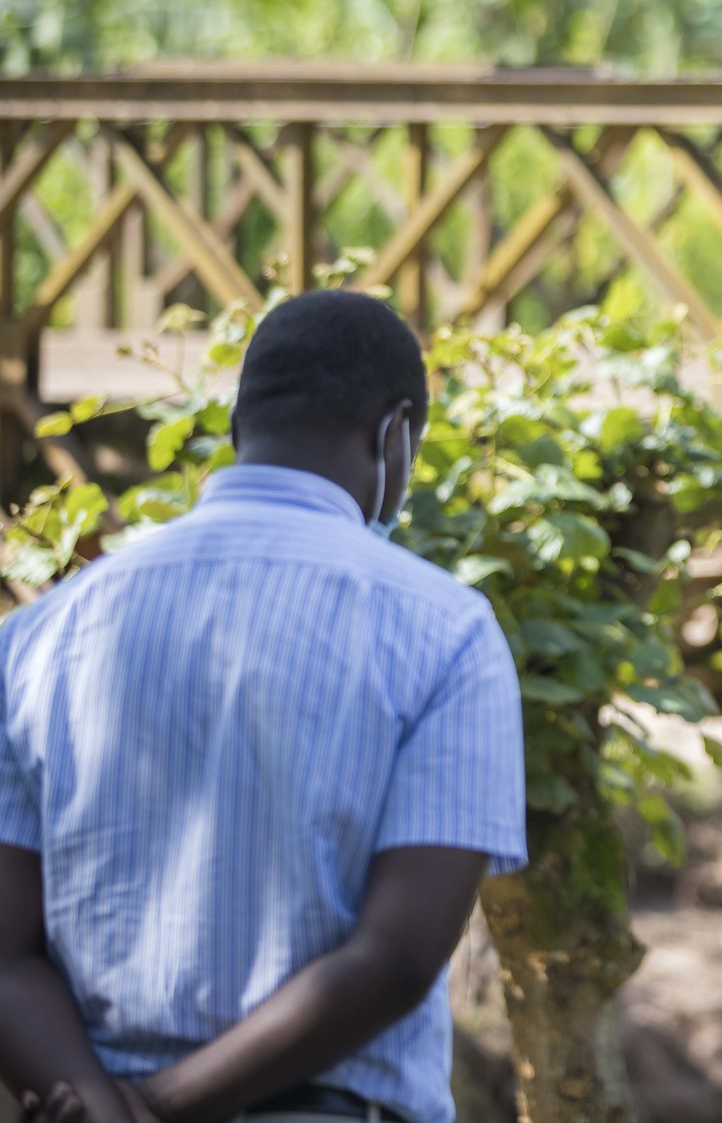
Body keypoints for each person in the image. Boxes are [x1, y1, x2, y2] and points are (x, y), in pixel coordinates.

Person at [0, 291, 526, 1123]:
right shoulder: (445, 631)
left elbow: (5, 954)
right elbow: (396, 958)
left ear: (240, 429)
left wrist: (103, 1107)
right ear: (393, 436)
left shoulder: (37, 636)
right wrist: (162, 1107)